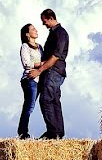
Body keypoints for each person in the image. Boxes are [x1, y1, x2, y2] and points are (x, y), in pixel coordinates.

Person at [26, 8, 69, 139]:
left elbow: (55, 56)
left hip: (53, 71)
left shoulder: (60, 33)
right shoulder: (54, 33)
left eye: (45, 21)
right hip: (53, 71)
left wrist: (39, 70)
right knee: (54, 100)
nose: (44, 24)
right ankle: (58, 132)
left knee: (46, 99)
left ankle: (53, 132)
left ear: (51, 18)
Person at [17, 23, 43, 139]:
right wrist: (41, 64)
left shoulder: (40, 47)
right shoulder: (25, 46)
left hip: (39, 80)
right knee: (29, 106)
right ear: (27, 34)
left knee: (34, 105)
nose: (36, 30)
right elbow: (26, 64)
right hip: (29, 79)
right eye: (33, 29)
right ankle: (23, 133)